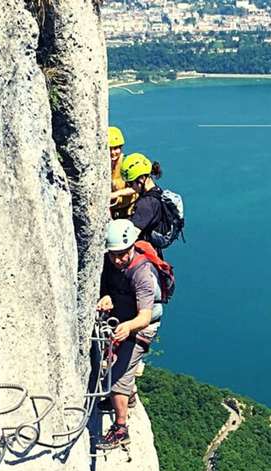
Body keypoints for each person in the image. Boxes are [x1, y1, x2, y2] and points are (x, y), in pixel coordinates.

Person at [95, 220, 162, 450]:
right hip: (124, 320)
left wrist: (128, 327)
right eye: (114, 254)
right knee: (117, 366)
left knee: (117, 379)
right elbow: (106, 286)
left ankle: (121, 429)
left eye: (122, 254)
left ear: (132, 247)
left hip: (141, 327)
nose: (118, 259)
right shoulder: (110, 262)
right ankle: (128, 398)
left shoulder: (142, 273)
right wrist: (104, 296)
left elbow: (144, 316)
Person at [120, 152, 169, 254]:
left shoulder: (146, 204)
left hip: (145, 255)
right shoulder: (156, 191)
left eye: (130, 183)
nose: (129, 186)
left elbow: (129, 237)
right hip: (154, 250)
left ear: (142, 179)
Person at [108, 126, 136, 219]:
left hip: (129, 211)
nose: (112, 153)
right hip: (113, 211)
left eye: (116, 148)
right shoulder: (103, 165)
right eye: (109, 149)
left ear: (121, 148)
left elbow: (136, 188)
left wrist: (116, 194)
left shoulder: (127, 164)